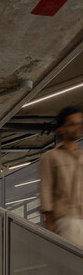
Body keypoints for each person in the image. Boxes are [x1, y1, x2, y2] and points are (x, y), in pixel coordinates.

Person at [40, 106, 83, 249]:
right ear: (61, 129)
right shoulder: (51, 157)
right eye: (72, 124)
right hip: (67, 219)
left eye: (80, 122)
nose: (78, 126)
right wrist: (49, 223)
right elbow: (46, 189)